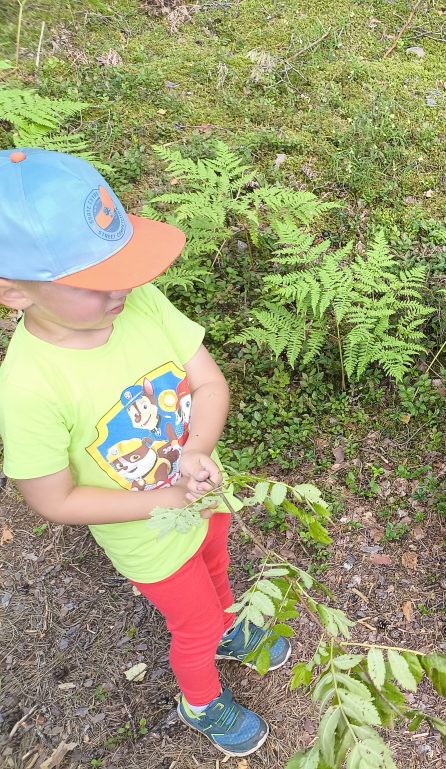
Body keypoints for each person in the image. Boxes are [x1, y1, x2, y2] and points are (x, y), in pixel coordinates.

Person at [0, 149, 290, 757]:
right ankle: (201, 703)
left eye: (125, 267)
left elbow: (209, 383)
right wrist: (163, 499)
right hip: (146, 537)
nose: (122, 288)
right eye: (96, 280)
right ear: (13, 292)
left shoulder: (140, 304)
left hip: (202, 492)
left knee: (218, 568)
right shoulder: (29, 387)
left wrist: (198, 451)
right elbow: (53, 499)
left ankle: (230, 629)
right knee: (193, 625)